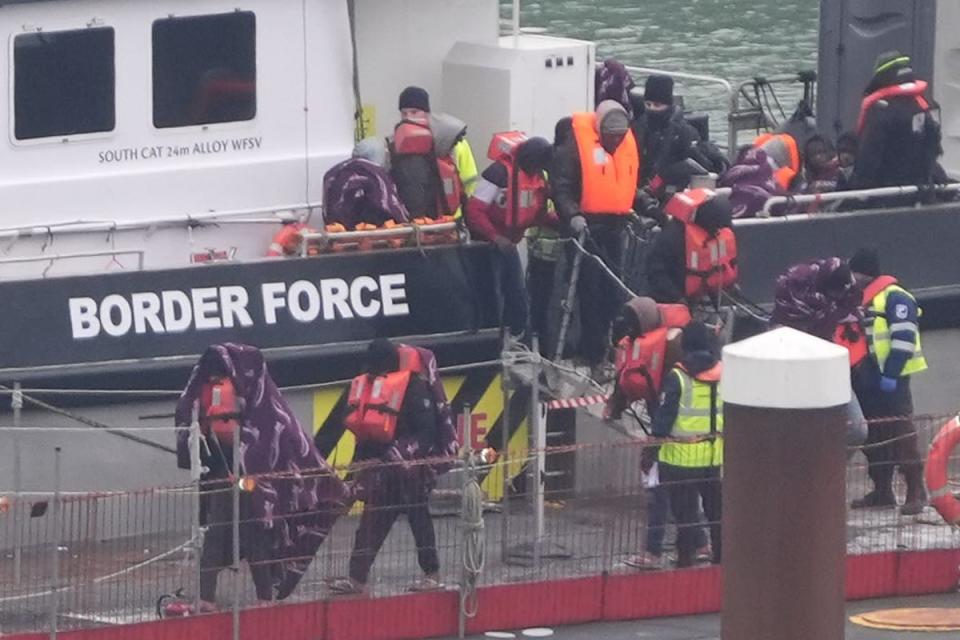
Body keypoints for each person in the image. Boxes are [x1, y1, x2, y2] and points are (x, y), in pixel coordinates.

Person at [330, 339, 447, 594]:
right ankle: (356, 579)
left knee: (419, 520)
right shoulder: (370, 388)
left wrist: (400, 454)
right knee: (371, 523)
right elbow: (365, 438)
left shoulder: (415, 388)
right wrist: (353, 477)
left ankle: (432, 574)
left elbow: (426, 432)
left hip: (410, 469)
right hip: (380, 469)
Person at [551, 100, 641, 367]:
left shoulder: (624, 146)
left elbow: (624, 184)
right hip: (584, 230)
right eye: (611, 137)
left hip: (615, 227)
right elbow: (562, 188)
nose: (615, 142)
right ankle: (591, 351)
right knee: (588, 292)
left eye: (619, 137)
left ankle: (614, 345)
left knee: (613, 291)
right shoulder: (572, 146)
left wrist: (644, 204)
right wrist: (573, 215)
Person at [848, 248, 928, 515]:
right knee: (874, 437)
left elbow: (903, 338)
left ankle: (916, 490)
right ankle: (882, 489)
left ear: (863, 272)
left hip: (891, 378)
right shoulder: (858, 299)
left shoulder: (895, 297)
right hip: (866, 379)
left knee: (901, 433)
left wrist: (892, 373)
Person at [464, 133, 555, 341]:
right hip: (486, 244)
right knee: (492, 296)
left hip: (508, 243)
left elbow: (534, 212)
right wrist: (495, 237)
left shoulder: (537, 176)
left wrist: (560, 220)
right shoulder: (498, 173)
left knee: (517, 295)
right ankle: (490, 340)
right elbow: (475, 211)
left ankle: (515, 336)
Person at [651, 322, 723, 568]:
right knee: (716, 514)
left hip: (679, 458)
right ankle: (720, 561)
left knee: (685, 516)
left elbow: (663, 420)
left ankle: (685, 561)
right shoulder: (723, 373)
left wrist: (650, 450)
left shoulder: (678, 376)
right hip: (713, 457)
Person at [849, 52, 941, 194]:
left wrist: (857, 191)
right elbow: (934, 147)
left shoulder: (882, 109)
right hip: (923, 188)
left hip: (887, 193)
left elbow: (869, 158)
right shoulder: (929, 105)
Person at [389, 86, 478, 219]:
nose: (408, 118)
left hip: (453, 218)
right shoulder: (396, 144)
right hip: (416, 222)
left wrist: (465, 216)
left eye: (414, 112)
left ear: (427, 113)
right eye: (404, 113)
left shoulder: (455, 144)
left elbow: (469, 181)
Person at [633, 74, 728, 198]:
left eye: (657, 105)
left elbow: (703, 168)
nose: (652, 109)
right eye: (648, 104)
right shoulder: (639, 126)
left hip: (673, 190)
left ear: (668, 105)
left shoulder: (683, 132)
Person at [525, 118, 571, 352]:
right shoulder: (549, 169)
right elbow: (542, 211)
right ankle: (542, 348)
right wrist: (567, 221)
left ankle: (546, 346)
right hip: (545, 247)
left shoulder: (554, 166)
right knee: (543, 303)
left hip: (557, 246)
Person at [645, 189, 737, 305]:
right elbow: (655, 272)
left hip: (698, 295)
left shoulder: (720, 233)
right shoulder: (673, 236)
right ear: (707, 221)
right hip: (668, 300)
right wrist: (677, 298)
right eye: (716, 226)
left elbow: (717, 265)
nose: (718, 230)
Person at [321, 137, 410, 229]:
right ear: (379, 154)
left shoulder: (334, 171)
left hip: (337, 230)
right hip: (368, 231)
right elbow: (388, 204)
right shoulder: (375, 173)